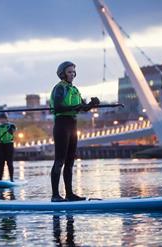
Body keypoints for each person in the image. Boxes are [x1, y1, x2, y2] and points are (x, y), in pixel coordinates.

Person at [49, 61, 100, 202]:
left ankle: (69, 194)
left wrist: (92, 105)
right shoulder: (59, 88)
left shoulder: (75, 89)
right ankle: (55, 195)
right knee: (59, 161)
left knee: (70, 161)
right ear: (62, 73)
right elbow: (58, 107)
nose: (72, 74)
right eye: (69, 72)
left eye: (73, 72)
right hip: (61, 125)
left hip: (73, 125)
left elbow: (81, 108)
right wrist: (79, 106)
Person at [0, 113, 16, 181]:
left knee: (9, 163)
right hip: (1, 146)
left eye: (3, 119)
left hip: (9, 145)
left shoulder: (10, 126)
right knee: (1, 163)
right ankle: (0, 179)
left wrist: (12, 128)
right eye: (1, 119)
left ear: (6, 119)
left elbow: (14, 130)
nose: (2, 121)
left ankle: (11, 179)